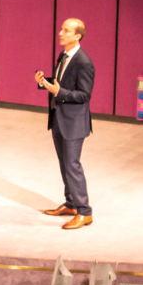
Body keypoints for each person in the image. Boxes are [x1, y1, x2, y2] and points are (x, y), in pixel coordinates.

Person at [37, 17, 95, 230]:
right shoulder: (64, 55)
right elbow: (61, 83)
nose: (61, 33)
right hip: (59, 117)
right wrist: (45, 83)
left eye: (66, 30)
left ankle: (84, 212)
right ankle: (71, 203)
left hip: (74, 122)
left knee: (72, 165)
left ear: (77, 36)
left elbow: (83, 95)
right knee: (64, 164)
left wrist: (57, 91)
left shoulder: (84, 62)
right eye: (62, 29)